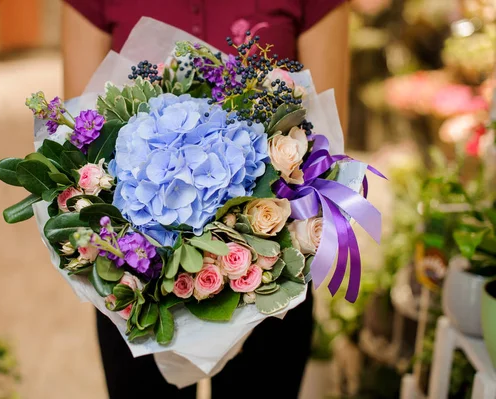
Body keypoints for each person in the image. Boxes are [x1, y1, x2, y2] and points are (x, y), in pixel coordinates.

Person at [61, 1, 350, 398]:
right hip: (139, 288)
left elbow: (326, 149)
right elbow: (81, 141)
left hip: (270, 278)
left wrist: (247, 273)